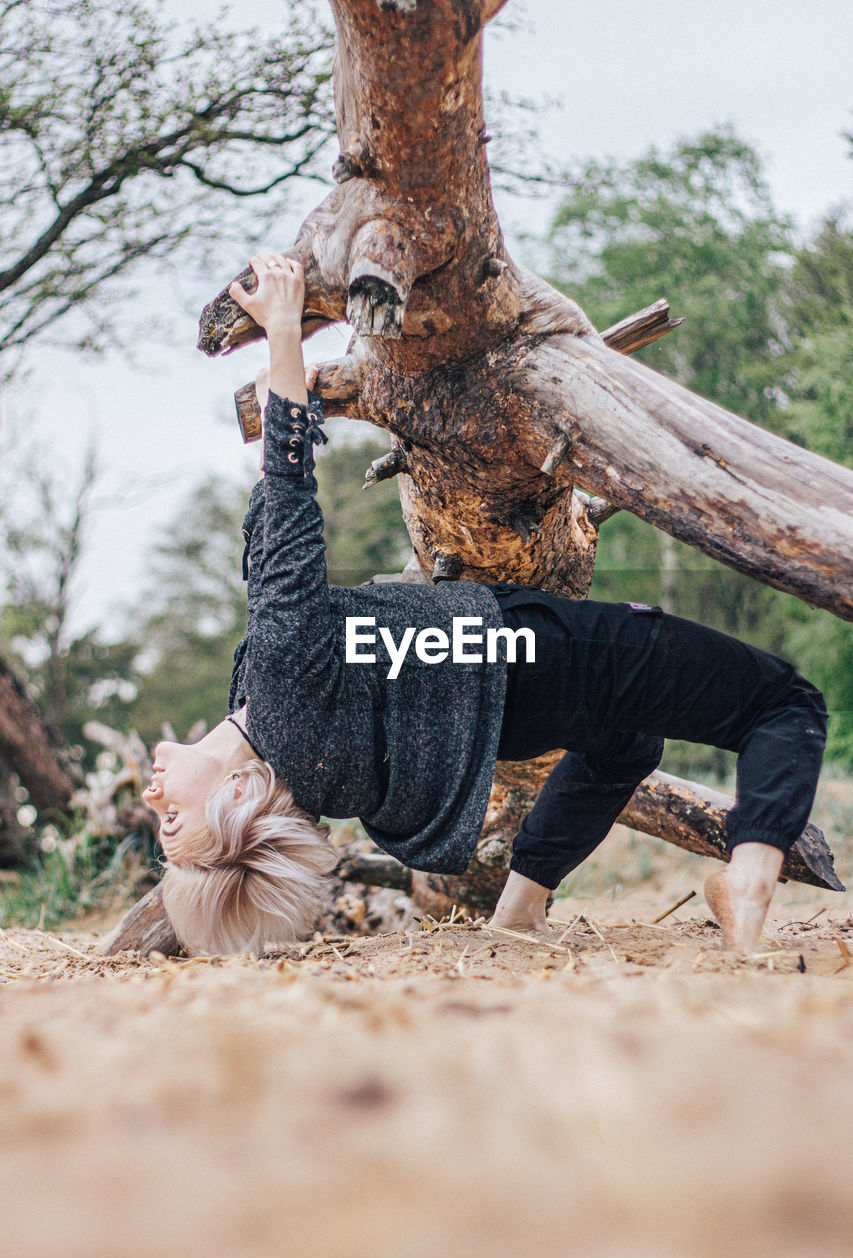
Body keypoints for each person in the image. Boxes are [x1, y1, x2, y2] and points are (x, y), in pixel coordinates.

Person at [143, 253, 828, 958]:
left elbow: (265, 556)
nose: (152, 800)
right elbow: (287, 502)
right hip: (539, 660)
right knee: (781, 704)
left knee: (624, 745)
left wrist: (282, 384)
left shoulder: (294, 754)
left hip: (512, 718)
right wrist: (285, 331)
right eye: (172, 823)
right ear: (233, 792)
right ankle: (749, 878)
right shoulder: (283, 696)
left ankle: (519, 914)